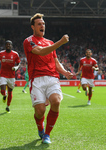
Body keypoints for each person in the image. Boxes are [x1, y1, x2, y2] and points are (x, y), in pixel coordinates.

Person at [23, 13, 73, 144]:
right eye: (39, 24)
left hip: (52, 77)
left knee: (56, 102)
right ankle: (40, 126)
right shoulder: (29, 41)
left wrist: (64, 72)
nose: (42, 26)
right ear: (32, 27)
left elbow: (55, 62)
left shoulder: (50, 42)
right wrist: (61, 42)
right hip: (36, 79)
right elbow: (41, 51)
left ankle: (47, 134)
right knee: (40, 111)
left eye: (43, 24)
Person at [0, 40, 21, 113]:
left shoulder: (15, 54)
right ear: (5, 46)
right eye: (7, 44)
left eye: (9, 45)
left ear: (11, 46)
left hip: (11, 76)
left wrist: (16, 68)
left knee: (10, 92)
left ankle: (8, 106)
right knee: (2, 91)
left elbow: (19, 63)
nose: (8, 46)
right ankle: (4, 95)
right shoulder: (1, 53)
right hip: (3, 75)